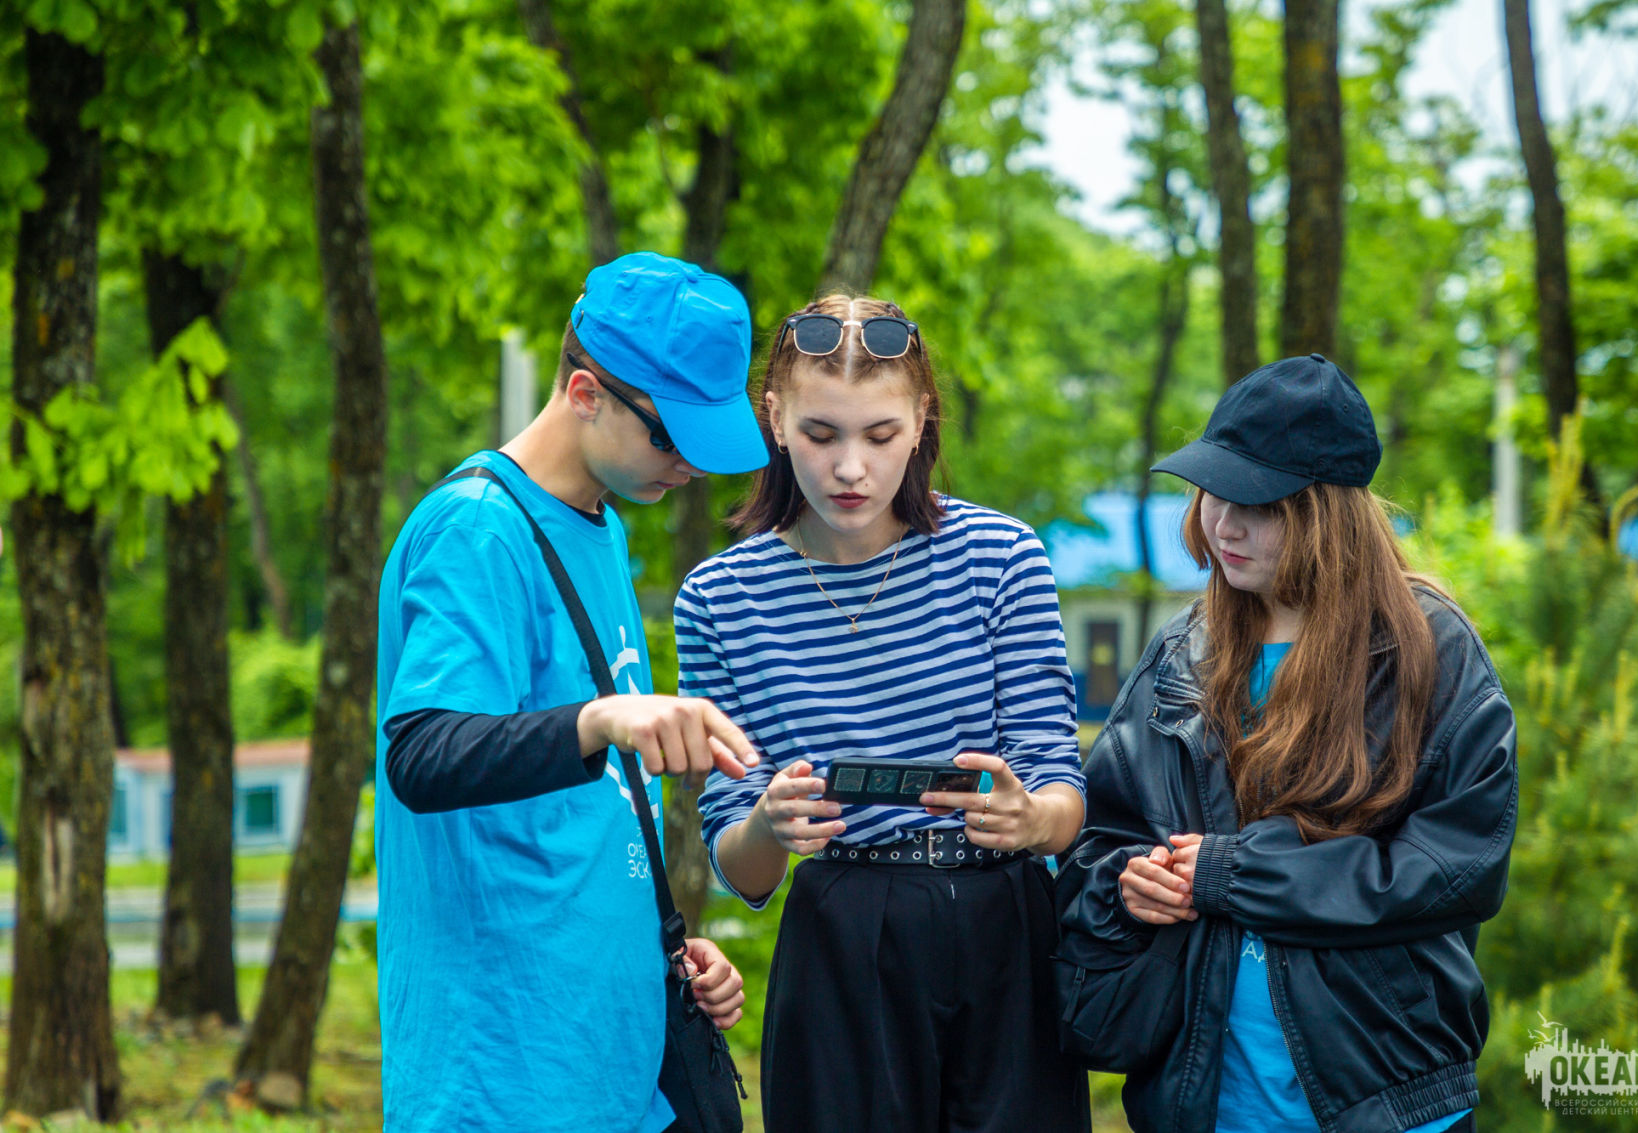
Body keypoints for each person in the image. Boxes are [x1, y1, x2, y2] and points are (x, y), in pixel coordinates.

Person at [1055, 354, 1518, 1133]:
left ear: (1326, 514)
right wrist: (1131, 887)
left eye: (1257, 504)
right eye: (1214, 492)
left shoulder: (1430, 649)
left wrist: (1237, 874)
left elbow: (1458, 868)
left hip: (1385, 1104)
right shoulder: (1183, 651)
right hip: (1207, 1103)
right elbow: (1099, 839)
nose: (1224, 524)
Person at [674, 294, 1092, 1133]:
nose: (851, 468)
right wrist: (769, 823)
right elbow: (743, 870)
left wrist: (1031, 818)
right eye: (821, 434)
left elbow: (1059, 787)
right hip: (842, 931)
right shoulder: (719, 597)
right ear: (775, 419)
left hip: (1005, 920)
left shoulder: (1003, 555)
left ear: (922, 420)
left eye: (880, 434)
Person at [374, 252, 767, 1132]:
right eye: (671, 436)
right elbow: (423, 753)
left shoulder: (602, 526)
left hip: (611, 1063)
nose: (691, 466)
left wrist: (658, 949)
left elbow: (584, 821)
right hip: (505, 1078)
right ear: (586, 392)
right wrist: (600, 719)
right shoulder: (479, 528)